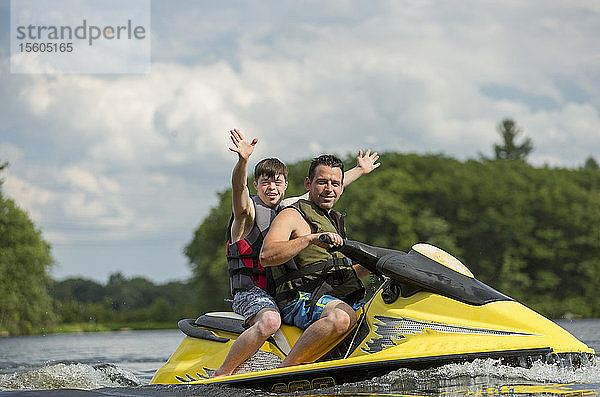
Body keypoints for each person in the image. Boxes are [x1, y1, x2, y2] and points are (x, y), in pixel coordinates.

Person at [213, 129, 380, 377]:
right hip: (251, 291)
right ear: (256, 184)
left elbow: (326, 187)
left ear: (285, 186)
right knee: (270, 322)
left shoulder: (288, 207)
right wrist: (243, 161)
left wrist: (360, 170)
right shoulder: (247, 214)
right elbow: (238, 188)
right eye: (265, 182)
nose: (272, 187)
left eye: (277, 182)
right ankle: (222, 374)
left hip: (276, 289)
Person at [259, 154, 371, 367]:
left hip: (333, 297)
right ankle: (285, 370)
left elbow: (339, 276)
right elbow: (266, 256)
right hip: (300, 299)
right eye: (322, 182)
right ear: (308, 184)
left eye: (335, 184)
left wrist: (375, 265)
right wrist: (310, 239)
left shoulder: (333, 221)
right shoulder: (292, 215)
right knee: (341, 317)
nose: (329, 188)